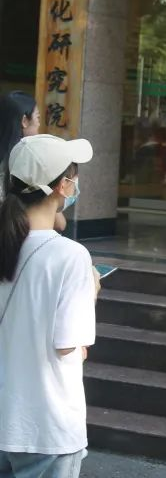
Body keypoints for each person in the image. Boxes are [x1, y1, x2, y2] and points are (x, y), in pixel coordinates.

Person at [0, 134, 96, 478]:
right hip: (45, 427)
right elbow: (69, 346)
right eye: (74, 178)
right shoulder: (70, 257)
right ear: (63, 187)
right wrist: (92, 291)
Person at [0, 92, 67, 233]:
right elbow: (59, 224)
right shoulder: (32, 162)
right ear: (24, 121)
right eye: (38, 118)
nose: (39, 125)